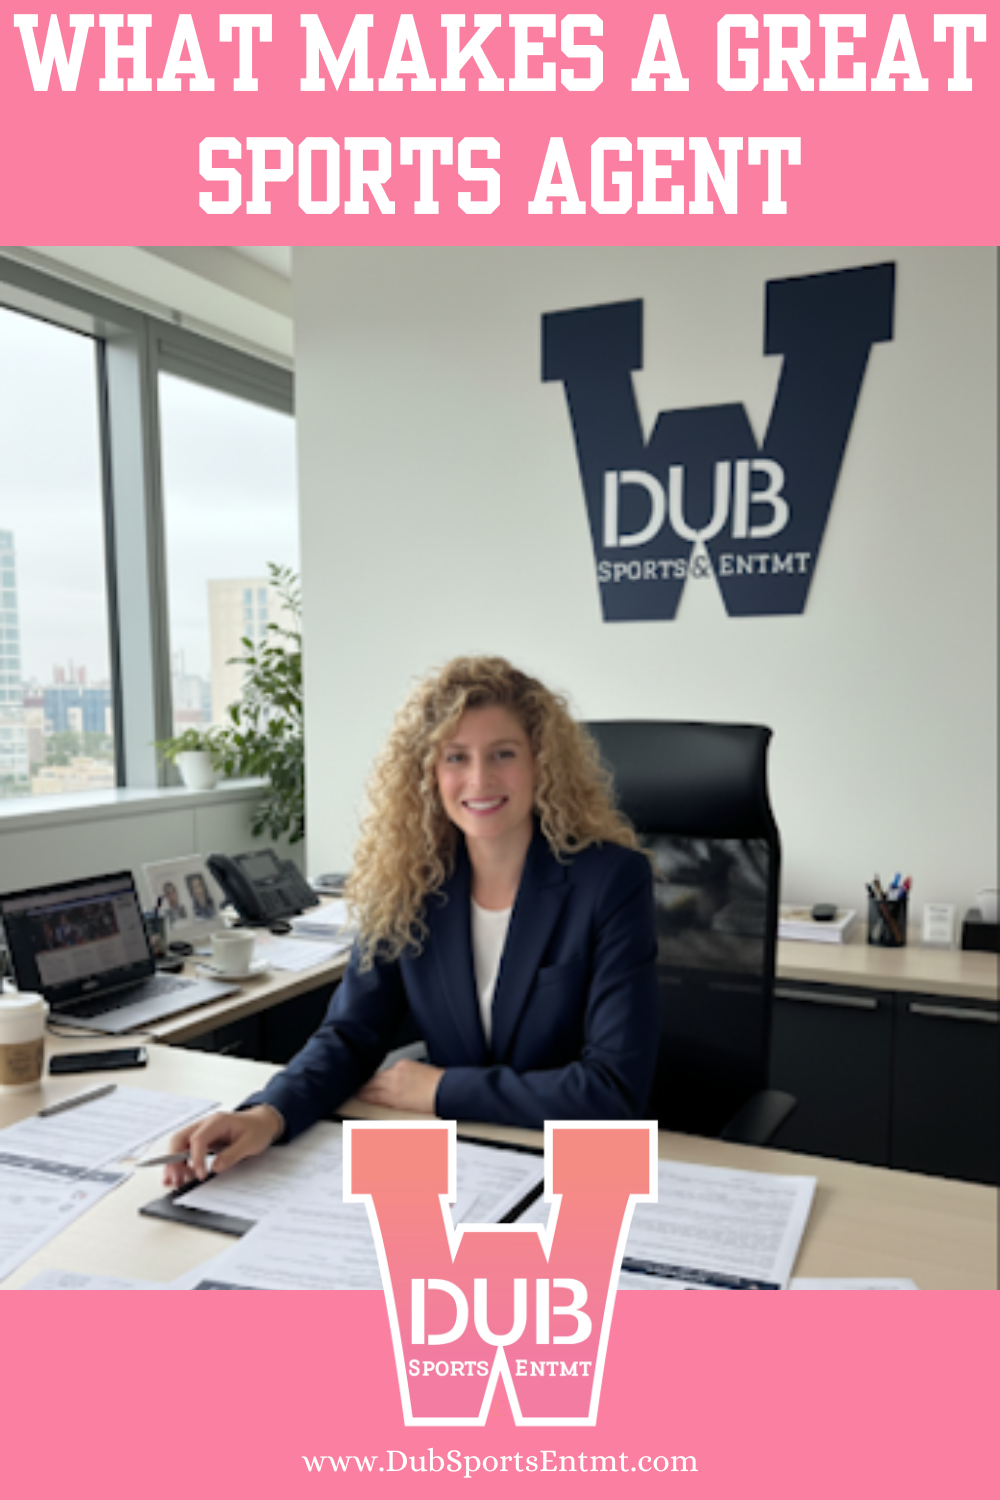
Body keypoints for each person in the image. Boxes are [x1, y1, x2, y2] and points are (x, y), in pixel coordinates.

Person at [164, 656, 659, 1188]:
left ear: (541, 762)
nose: (479, 778)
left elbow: (612, 1090)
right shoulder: (410, 882)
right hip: (461, 1162)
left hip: (576, 1166)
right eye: (455, 757)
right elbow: (350, 1036)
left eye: (504, 754)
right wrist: (267, 1114)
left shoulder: (610, 881)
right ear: (428, 772)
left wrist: (441, 1090)